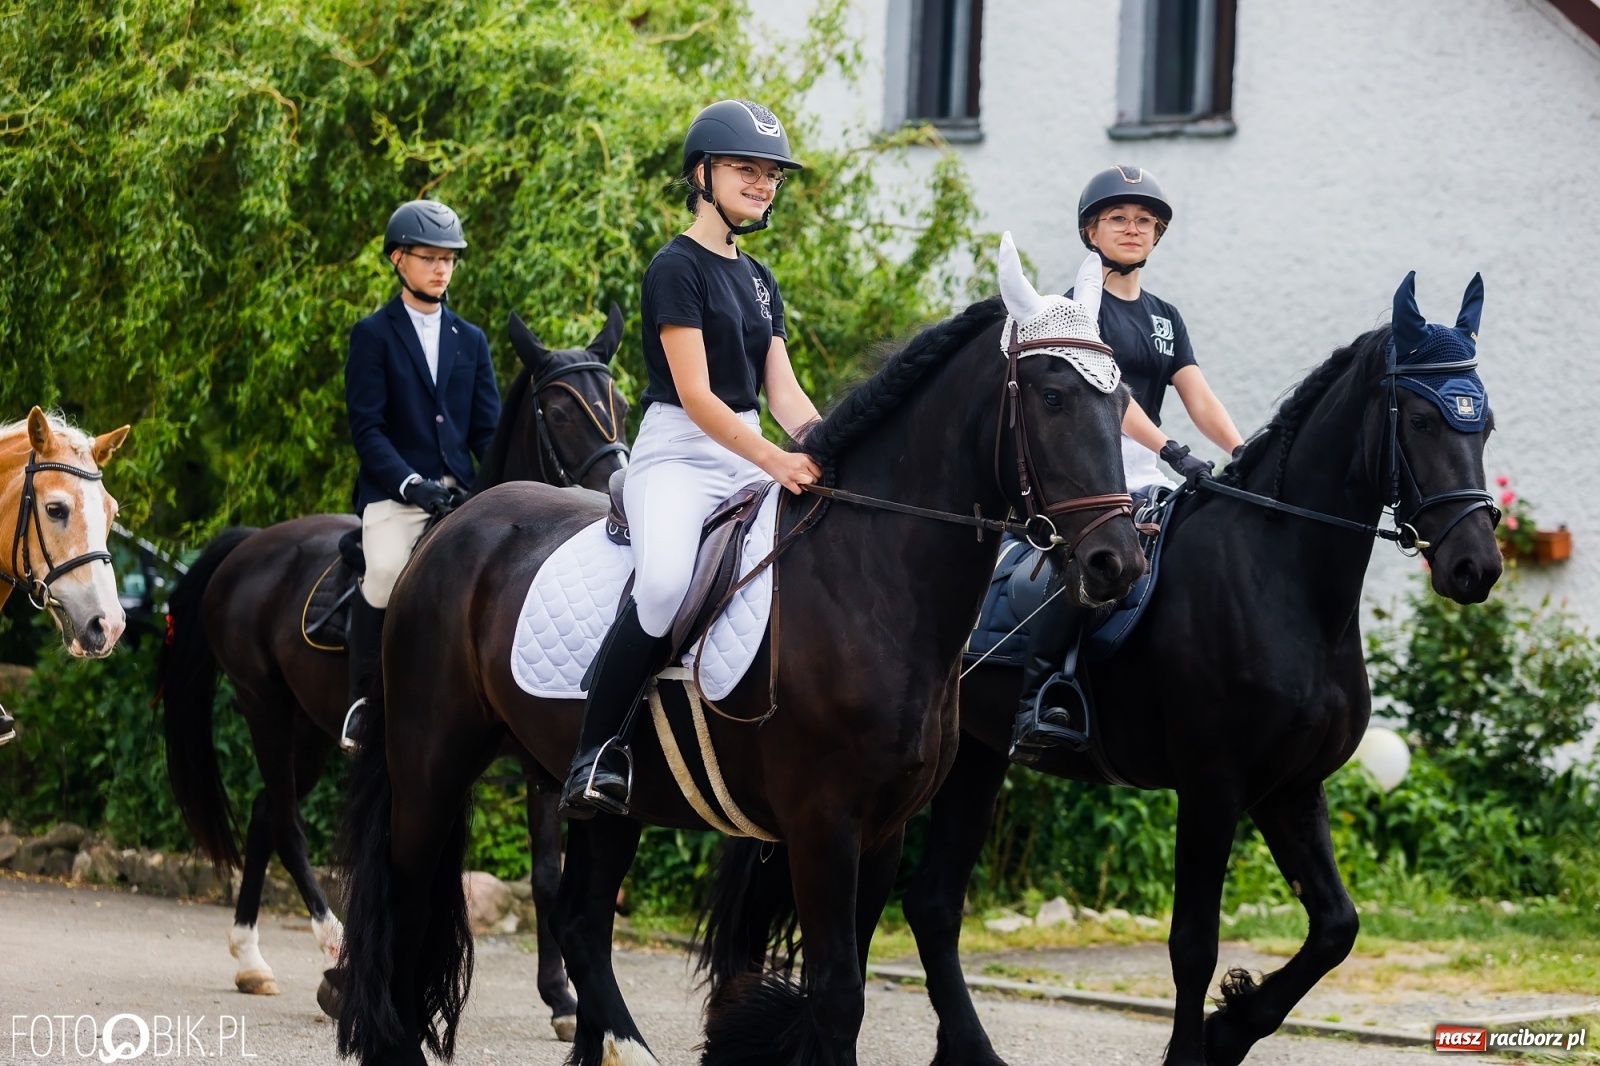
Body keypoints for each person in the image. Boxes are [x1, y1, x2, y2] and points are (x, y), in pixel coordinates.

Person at [560, 100, 822, 819]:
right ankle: (595, 752)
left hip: (746, 450)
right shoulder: (674, 268)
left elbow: (784, 391)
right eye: (748, 169)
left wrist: (829, 444)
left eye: (772, 174)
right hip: (679, 451)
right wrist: (777, 459)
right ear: (703, 174)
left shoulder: (762, 278)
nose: (764, 183)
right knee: (666, 582)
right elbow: (699, 397)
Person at [1010, 165, 1245, 764]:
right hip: (1088, 477)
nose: (1133, 229)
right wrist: (1170, 448)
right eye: (1118, 218)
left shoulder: (1166, 317)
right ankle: (1042, 691)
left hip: (1154, 476)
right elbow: (1111, 395)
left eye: (1146, 221)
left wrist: (1243, 454)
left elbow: (1199, 396)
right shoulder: (1071, 311)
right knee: (1088, 565)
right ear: (1091, 231)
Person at [341, 200, 502, 750]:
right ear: (398, 259)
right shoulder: (372, 336)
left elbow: (487, 432)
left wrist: (496, 487)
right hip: (397, 495)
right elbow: (368, 431)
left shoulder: (471, 340)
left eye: (449, 259)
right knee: (385, 570)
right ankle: (364, 700)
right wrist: (411, 483)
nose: (441, 269)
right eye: (429, 258)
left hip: (459, 494)